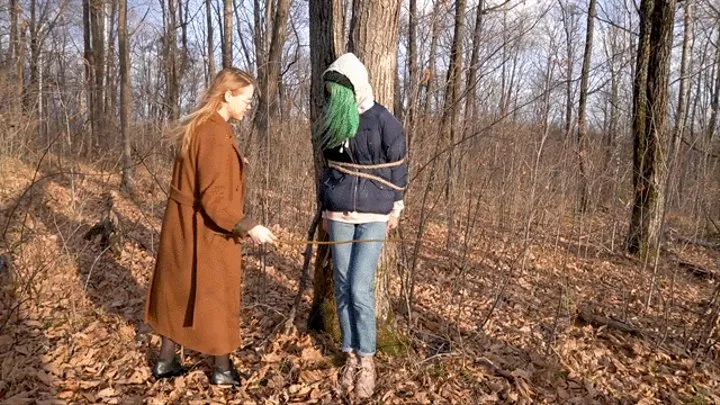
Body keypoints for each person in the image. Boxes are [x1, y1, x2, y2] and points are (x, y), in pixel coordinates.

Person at [144, 67, 277, 387]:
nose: (248, 105)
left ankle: (165, 361)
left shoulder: (204, 126)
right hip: (206, 232)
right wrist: (249, 226)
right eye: (245, 98)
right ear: (228, 95)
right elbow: (215, 200)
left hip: (185, 227)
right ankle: (221, 369)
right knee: (218, 297)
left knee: (179, 294)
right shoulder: (214, 134)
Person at [317, 53, 408, 399]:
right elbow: (329, 167)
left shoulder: (383, 119)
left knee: (359, 287)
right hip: (339, 213)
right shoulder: (335, 117)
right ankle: (350, 355)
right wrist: (326, 209)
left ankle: (368, 359)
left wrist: (396, 207)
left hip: (374, 215)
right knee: (341, 286)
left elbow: (399, 165)